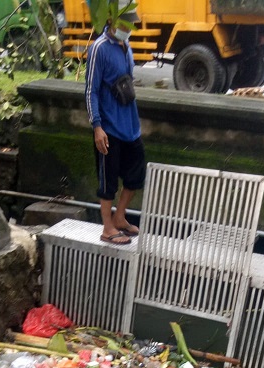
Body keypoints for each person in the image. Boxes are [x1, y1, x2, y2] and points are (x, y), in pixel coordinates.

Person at [85, 3, 146, 245]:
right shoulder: (99, 48)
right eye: (125, 23)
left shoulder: (126, 46)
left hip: (130, 124)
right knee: (107, 179)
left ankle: (119, 216)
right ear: (111, 20)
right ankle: (107, 227)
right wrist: (97, 126)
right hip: (108, 126)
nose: (128, 27)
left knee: (136, 173)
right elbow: (91, 90)